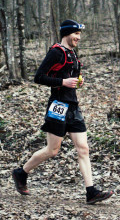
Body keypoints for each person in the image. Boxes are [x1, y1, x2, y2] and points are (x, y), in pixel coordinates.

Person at [12, 19, 114, 205]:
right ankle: (21, 172)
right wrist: (62, 83)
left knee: (83, 148)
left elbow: (69, 76)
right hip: (58, 106)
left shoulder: (72, 54)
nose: (78, 37)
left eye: (79, 34)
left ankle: (91, 192)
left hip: (73, 107)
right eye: (76, 34)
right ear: (67, 33)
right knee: (52, 150)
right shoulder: (56, 53)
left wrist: (77, 81)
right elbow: (38, 77)